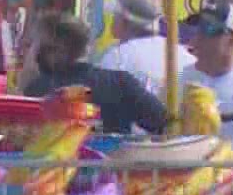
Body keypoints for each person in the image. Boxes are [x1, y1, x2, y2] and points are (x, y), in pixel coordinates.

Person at [20, 11, 171, 136]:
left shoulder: (38, 92)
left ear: (46, 51)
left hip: (56, 170)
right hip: (112, 168)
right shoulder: (119, 83)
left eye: (32, 45)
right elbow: (163, 123)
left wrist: (26, 75)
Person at [94, 0, 195, 99]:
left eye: (115, 16)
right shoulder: (184, 55)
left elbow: (101, 103)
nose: (112, 20)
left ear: (125, 21)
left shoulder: (118, 57)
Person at [181, 2, 233, 147]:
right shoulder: (179, 80)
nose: (198, 37)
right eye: (198, 29)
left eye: (209, 29)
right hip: (190, 167)